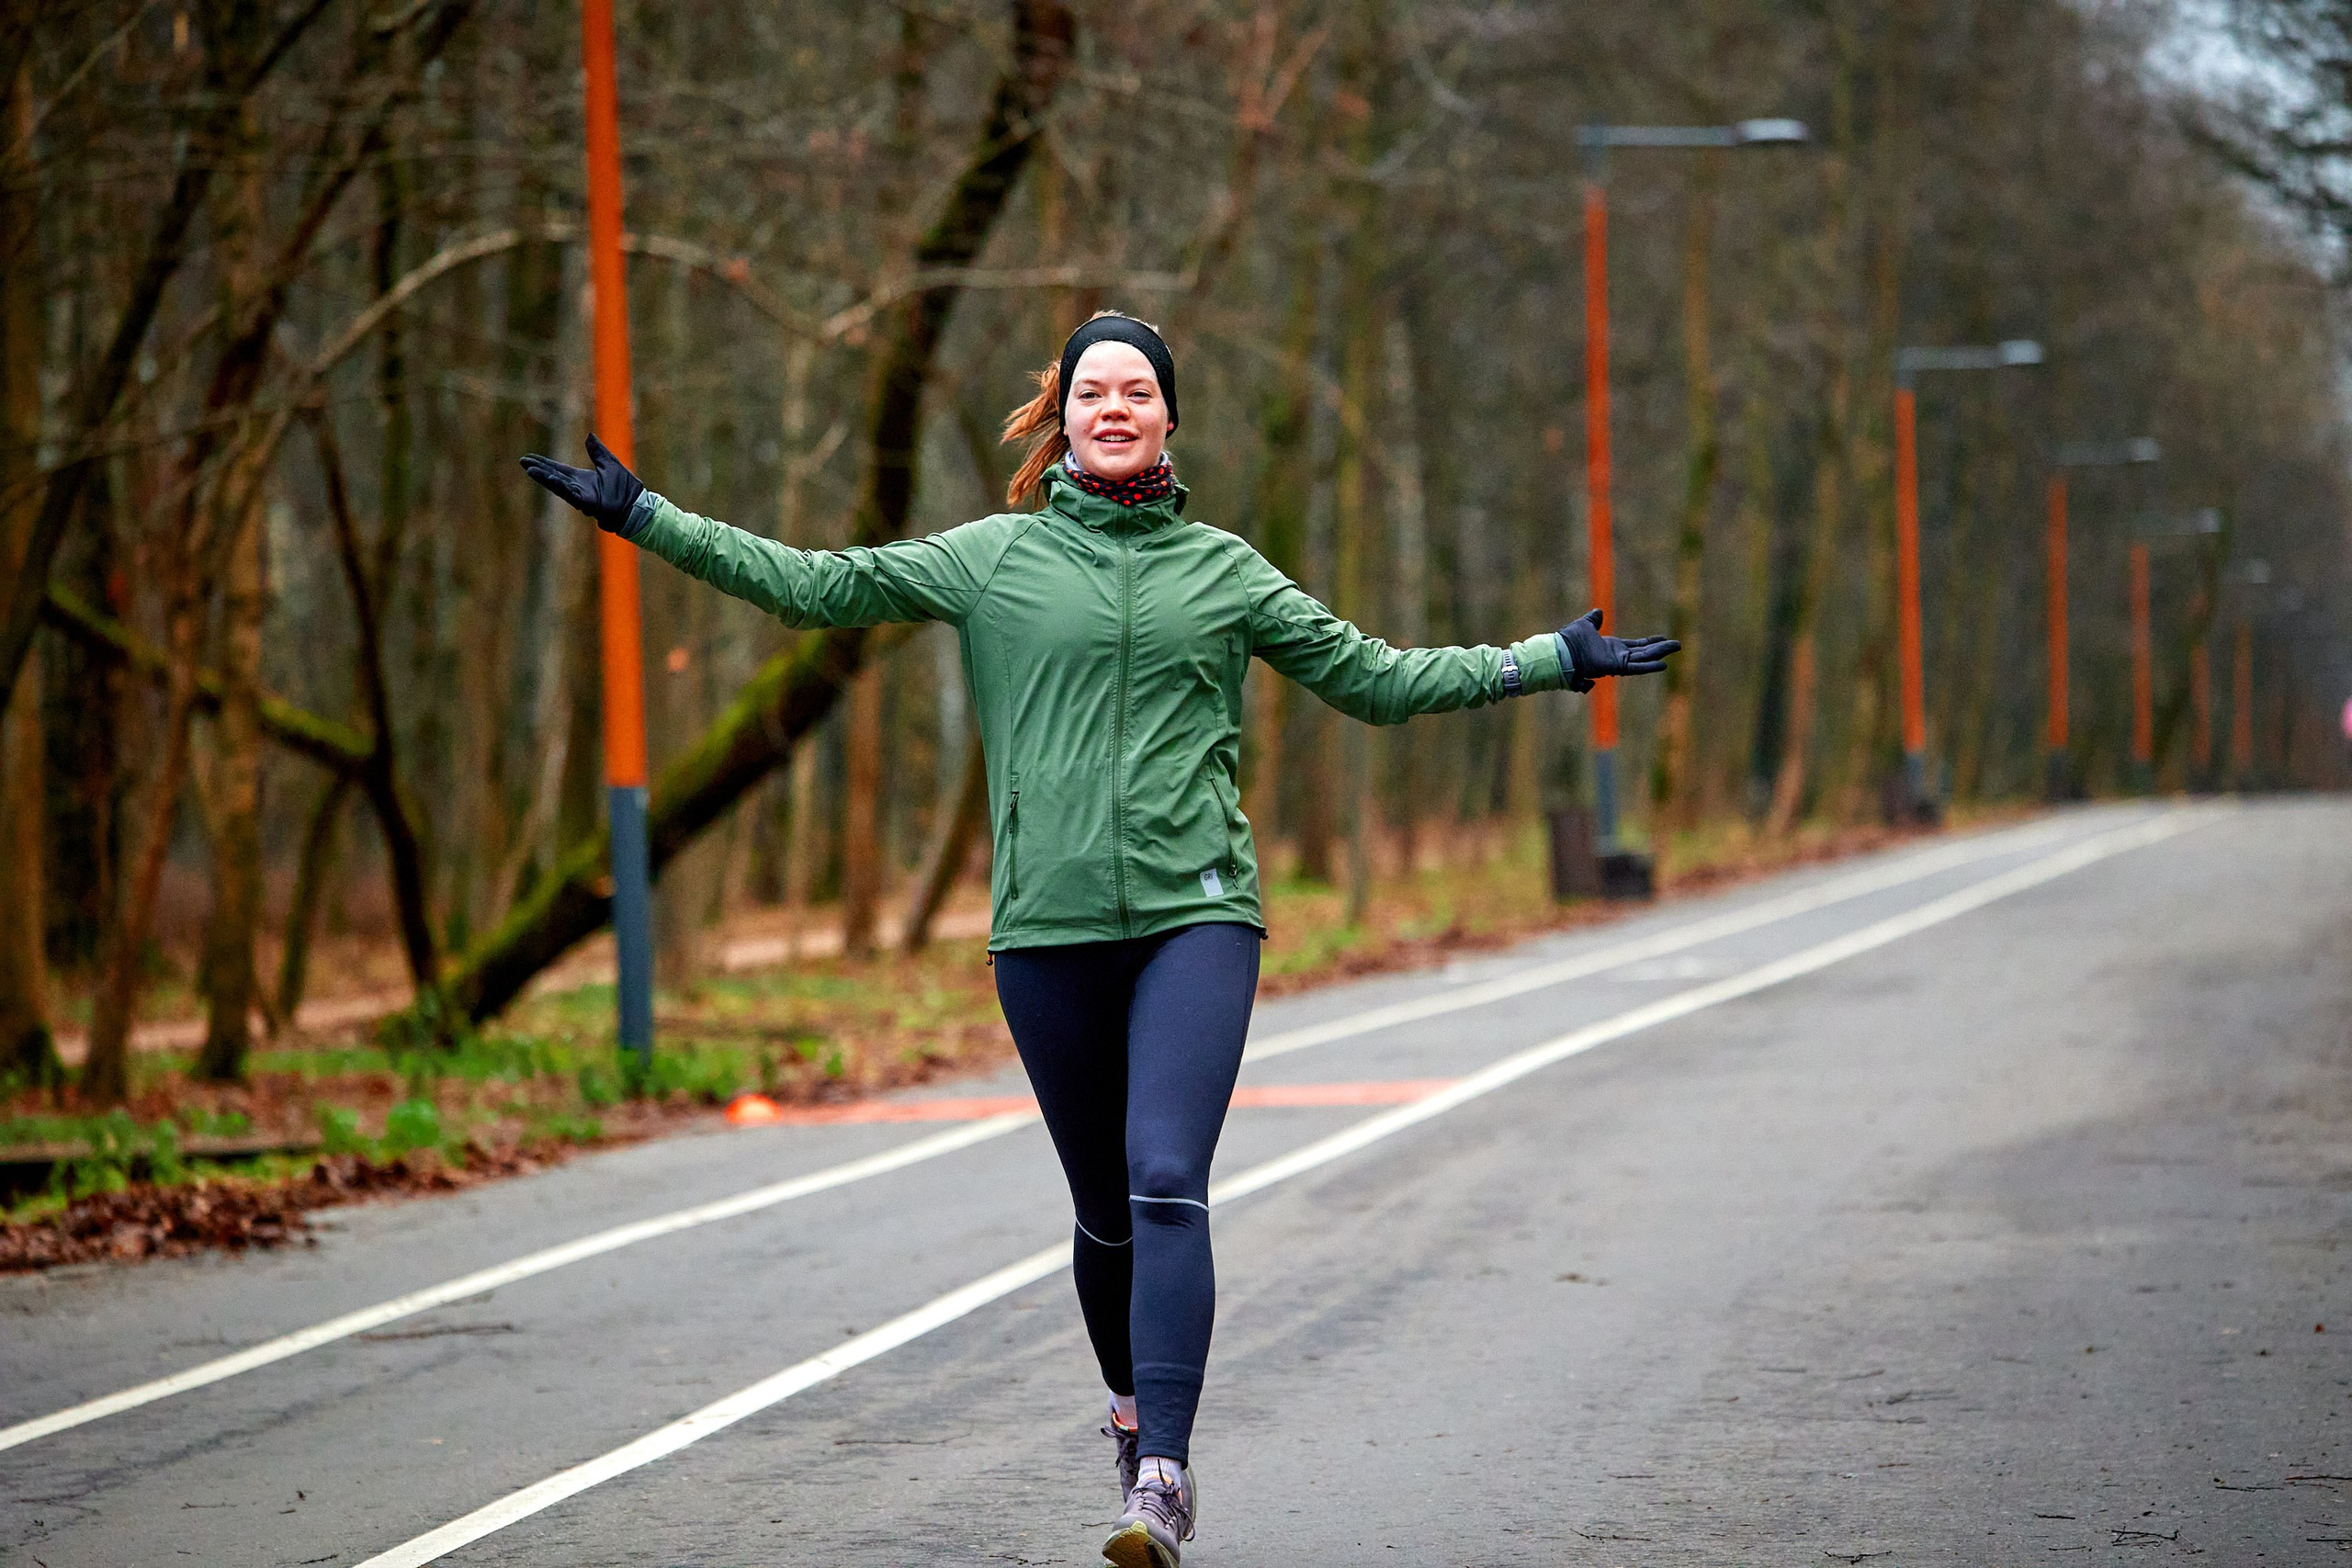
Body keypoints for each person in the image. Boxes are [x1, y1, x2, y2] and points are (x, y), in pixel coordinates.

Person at [523, 310, 1677, 1568]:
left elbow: (1377, 680)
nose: (1114, 407)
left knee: (1165, 1177)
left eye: (1137, 390)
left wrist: (1546, 660)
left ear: (1170, 417)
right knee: (1105, 1217)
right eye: (1092, 392)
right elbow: (817, 587)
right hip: (1047, 932)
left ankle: (1166, 1476)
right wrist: (646, 518)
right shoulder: (993, 559)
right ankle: (1130, 1420)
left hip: (1198, 913)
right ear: (1061, 419)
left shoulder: (1227, 572)